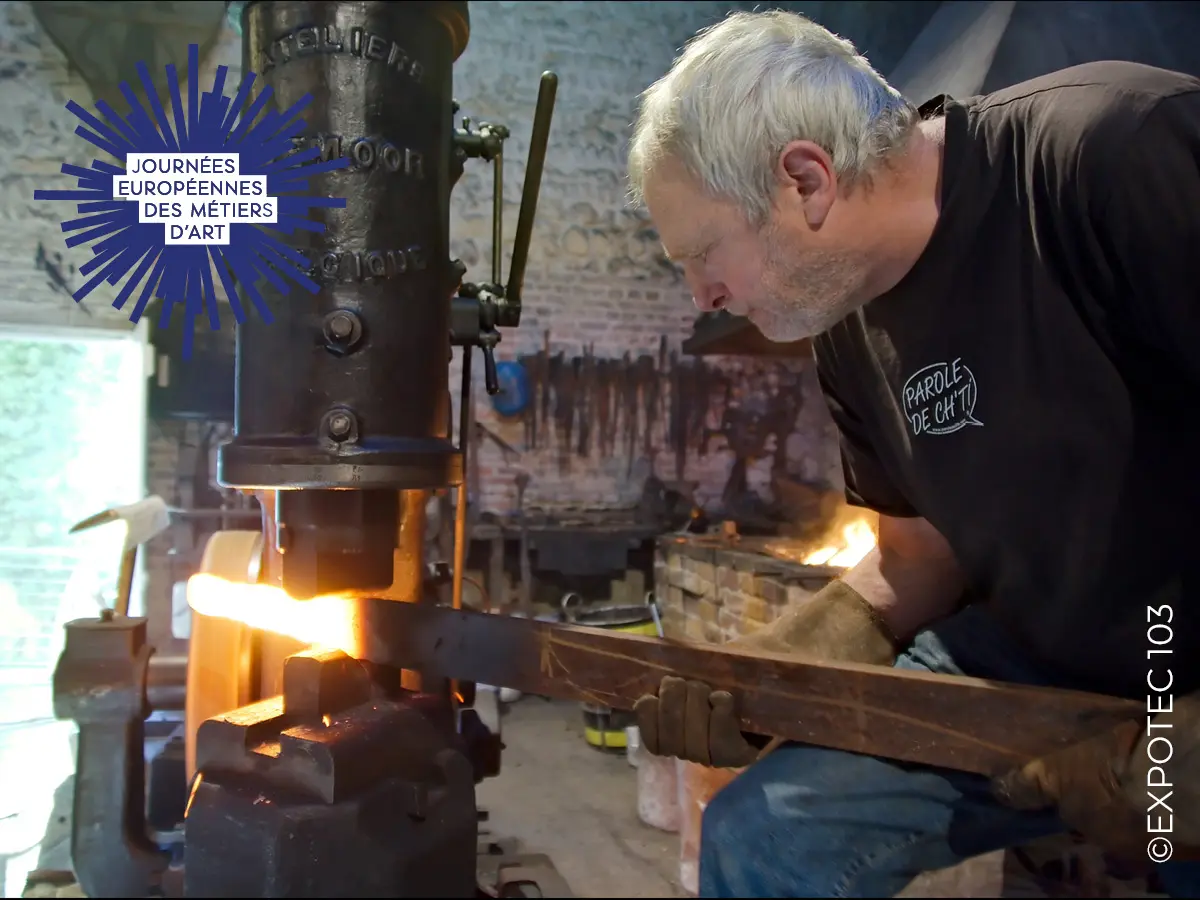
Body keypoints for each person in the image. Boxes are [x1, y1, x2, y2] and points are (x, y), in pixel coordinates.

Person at [626, 9, 1200, 898]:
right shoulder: (847, 325)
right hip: (1015, 667)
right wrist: (766, 678)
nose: (704, 296)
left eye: (703, 253)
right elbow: (916, 555)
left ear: (805, 179)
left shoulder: (1113, 155)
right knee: (762, 840)